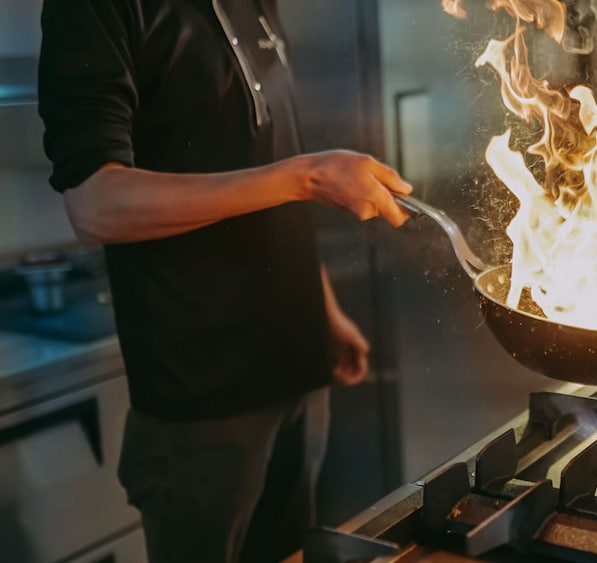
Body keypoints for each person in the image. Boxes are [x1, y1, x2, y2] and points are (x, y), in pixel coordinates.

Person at [36, 1, 412, 562]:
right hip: (201, 402)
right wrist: (305, 176)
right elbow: (95, 205)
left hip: (297, 369)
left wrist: (323, 307)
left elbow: (265, 157)